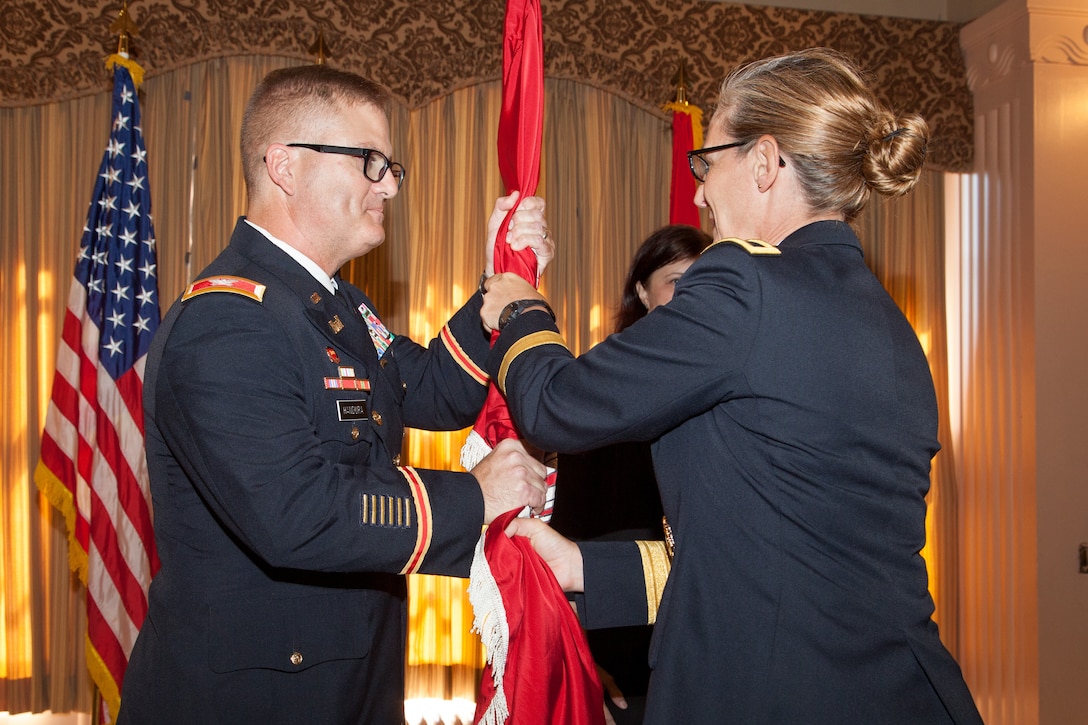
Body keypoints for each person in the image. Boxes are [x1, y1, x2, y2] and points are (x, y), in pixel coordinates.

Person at [480, 48, 984, 724]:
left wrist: (519, 307)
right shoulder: (893, 327)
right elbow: (774, 549)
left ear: (766, 161)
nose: (698, 192)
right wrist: (580, 567)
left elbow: (556, 406)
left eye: (707, 161)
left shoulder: (744, 285)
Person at [117, 64, 554, 724]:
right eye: (368, 162)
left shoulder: (338, 307)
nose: (388, 186)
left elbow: (434, 391)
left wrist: (499, 288)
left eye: (390, 166)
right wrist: (474, 495)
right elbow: (295, 513)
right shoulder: (226, 319)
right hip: (252, 702)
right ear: (285, 166)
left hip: (353, 685)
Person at [549, 224, 710, 724]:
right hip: (618, 652)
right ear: (641, 291)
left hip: (704, 646)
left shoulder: (723, 388)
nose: (691, 296)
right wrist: (583, 662)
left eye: (704, 282)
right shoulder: (601, 389)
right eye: (676, 281)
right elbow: (562, 535)